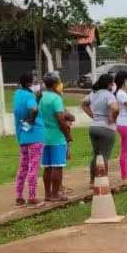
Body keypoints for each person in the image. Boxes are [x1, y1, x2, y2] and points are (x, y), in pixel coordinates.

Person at [38, 71, 74, 202]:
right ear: (55, 84)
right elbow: (60, 118)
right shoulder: (56, 98)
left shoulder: (43, 97)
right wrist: (67, 135)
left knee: (47, 167)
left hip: (44, 136)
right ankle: (55, 194)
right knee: (57, 166)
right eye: (59, 82)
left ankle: (48, 194)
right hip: (57, 137)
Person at [81, 73, 120, 184]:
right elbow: (115, 109)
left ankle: (92, 181)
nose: (113, 85)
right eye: (112, 83)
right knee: (104, 156)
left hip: (94, 127)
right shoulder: (109, 95)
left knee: (96, 155)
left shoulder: (93, 93)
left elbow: (83, 104)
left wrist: (93, 115)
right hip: (106, 128)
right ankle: (103, 182)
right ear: (109, 84)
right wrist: (112, 118)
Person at [13, 71, 44, 206]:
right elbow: (34, 110)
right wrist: (31, 121)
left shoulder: (17, 94)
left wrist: (37, 100)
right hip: (35, 134)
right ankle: (32, 196)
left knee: (23, 166)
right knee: (33, 166)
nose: (36, 84)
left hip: (23, 134)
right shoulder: (29, 95)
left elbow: (23, 109)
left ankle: (19, 196)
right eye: (34, 81)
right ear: (29, 83)